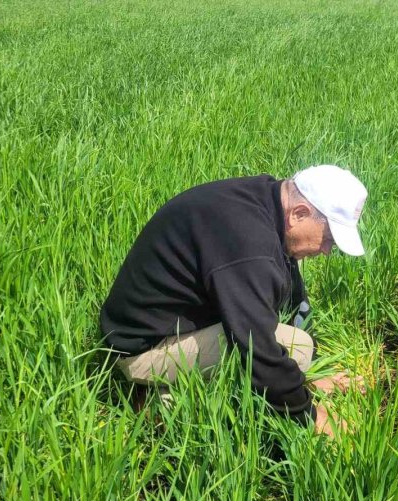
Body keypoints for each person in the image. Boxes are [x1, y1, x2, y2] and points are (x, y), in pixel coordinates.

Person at [99, 165, 368, 436]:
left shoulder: (266, 200)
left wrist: (312, 374)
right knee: (293, 349)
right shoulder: (249, 244)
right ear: (299, 214)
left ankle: (179, 388)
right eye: (329, 239)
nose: (326, 251)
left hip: (168, 323)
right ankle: (165, 403)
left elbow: (293, 296)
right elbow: (256, 347)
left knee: (299, 349)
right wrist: (310, 417)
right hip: (143, 348)